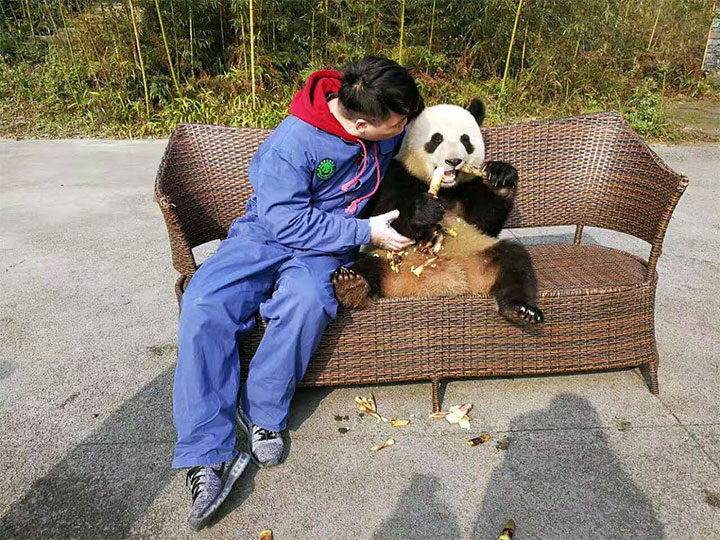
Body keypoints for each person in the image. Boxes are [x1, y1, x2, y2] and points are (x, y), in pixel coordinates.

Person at [172, 54, 424, 529]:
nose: (405, 127)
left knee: (308, 298)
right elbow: (283, 219)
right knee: (204, 304)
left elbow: (417, 138)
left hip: (323, 247)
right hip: (265, 234)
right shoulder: (292, 143)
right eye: (399, 123)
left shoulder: (376, 112)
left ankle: (263, 409)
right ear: (363, 124)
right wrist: (366, 232)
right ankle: (207, 451)